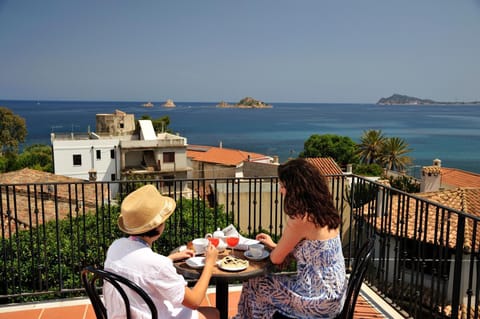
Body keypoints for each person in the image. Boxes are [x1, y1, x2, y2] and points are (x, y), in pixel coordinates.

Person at [233, 158, 347, 319]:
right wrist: (274, 244)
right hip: (334, 294)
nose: (281, 190)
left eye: (282, 186)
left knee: (255, 283)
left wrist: (275, 249)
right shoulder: (325, 211)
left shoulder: (301, 218)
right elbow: (312, 254)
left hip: (318, 301)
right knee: (262, 285)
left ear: (296, 189)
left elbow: (276, 259)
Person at [103, 184, 220, 319]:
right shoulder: (157, 264)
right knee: (214, 313)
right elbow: (194, 301)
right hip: (152, 315)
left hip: (125, 315)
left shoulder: (115, 246)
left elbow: (140, 268)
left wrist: (169, 258)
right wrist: (210, 263)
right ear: (159, 225)